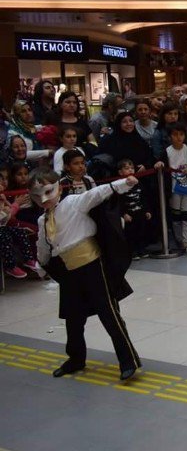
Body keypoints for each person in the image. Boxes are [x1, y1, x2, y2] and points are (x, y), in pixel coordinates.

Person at [30, 168, 143, 380]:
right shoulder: (41, 221)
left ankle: (128, 360)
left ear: (59, 188)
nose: (43, 199)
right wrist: (42, 263)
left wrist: (124, 183)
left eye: (47, 191)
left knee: (108, 313)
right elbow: (43, 245)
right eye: (36, 195)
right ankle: (75, 359)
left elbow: (97, 193)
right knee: (73, 318)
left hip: (92, 265)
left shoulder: (73, 202)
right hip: (69, 271)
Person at [0, 172, 44, 280]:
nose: (2, 184)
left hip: (3, 225)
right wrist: (13, 207)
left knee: (20, 231)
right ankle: (10, 266)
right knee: (5, 236)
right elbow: (7, 215)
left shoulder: (2, 197)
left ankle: (29, 260)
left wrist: (6, 203)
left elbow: (9, 215)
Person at [163, 124, 187, 256]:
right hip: (173, 188)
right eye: (175, 134)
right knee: (176, 215)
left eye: (181, 134)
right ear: (170, 137)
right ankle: (179, 240)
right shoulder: (166, 151)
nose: (178, 137)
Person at [117, 158, 152, 259]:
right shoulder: (119, 185)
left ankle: (141, 249)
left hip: (140, 212)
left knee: (141, 232)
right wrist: (123, 214)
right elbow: (119, 202)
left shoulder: (138, 182)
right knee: (130, 233)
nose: (130, 170)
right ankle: (132, 251)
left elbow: (143, 197)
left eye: (132, 168)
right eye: (127, 168)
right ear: (120, 172)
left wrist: (147, 210)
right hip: (129, 214)